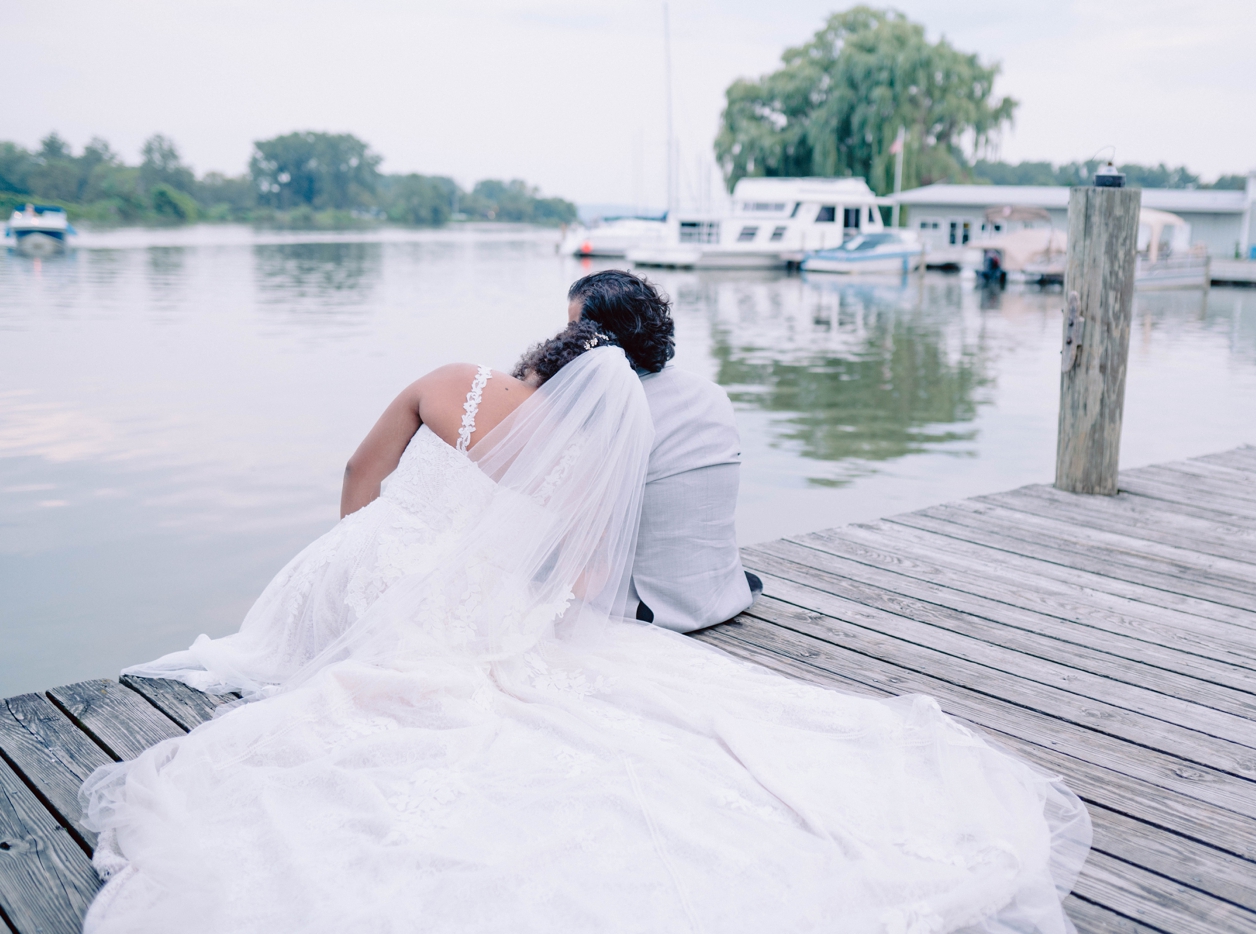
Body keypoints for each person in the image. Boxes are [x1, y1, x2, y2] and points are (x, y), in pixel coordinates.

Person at [85, 284, 1089, 934]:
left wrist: (347, 552)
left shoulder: (445, 379)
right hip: (465, 605)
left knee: (299, 659)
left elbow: (360, 472)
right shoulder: (572, 444)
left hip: (364, 564)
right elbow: (569, 572)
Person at [533, 270, 756, 632]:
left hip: (655, 609)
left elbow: (579, 521)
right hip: (721, 593)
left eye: (574, 328)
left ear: (601, 337)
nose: (568, 339)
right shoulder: (710, 393)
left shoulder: (611, 411)